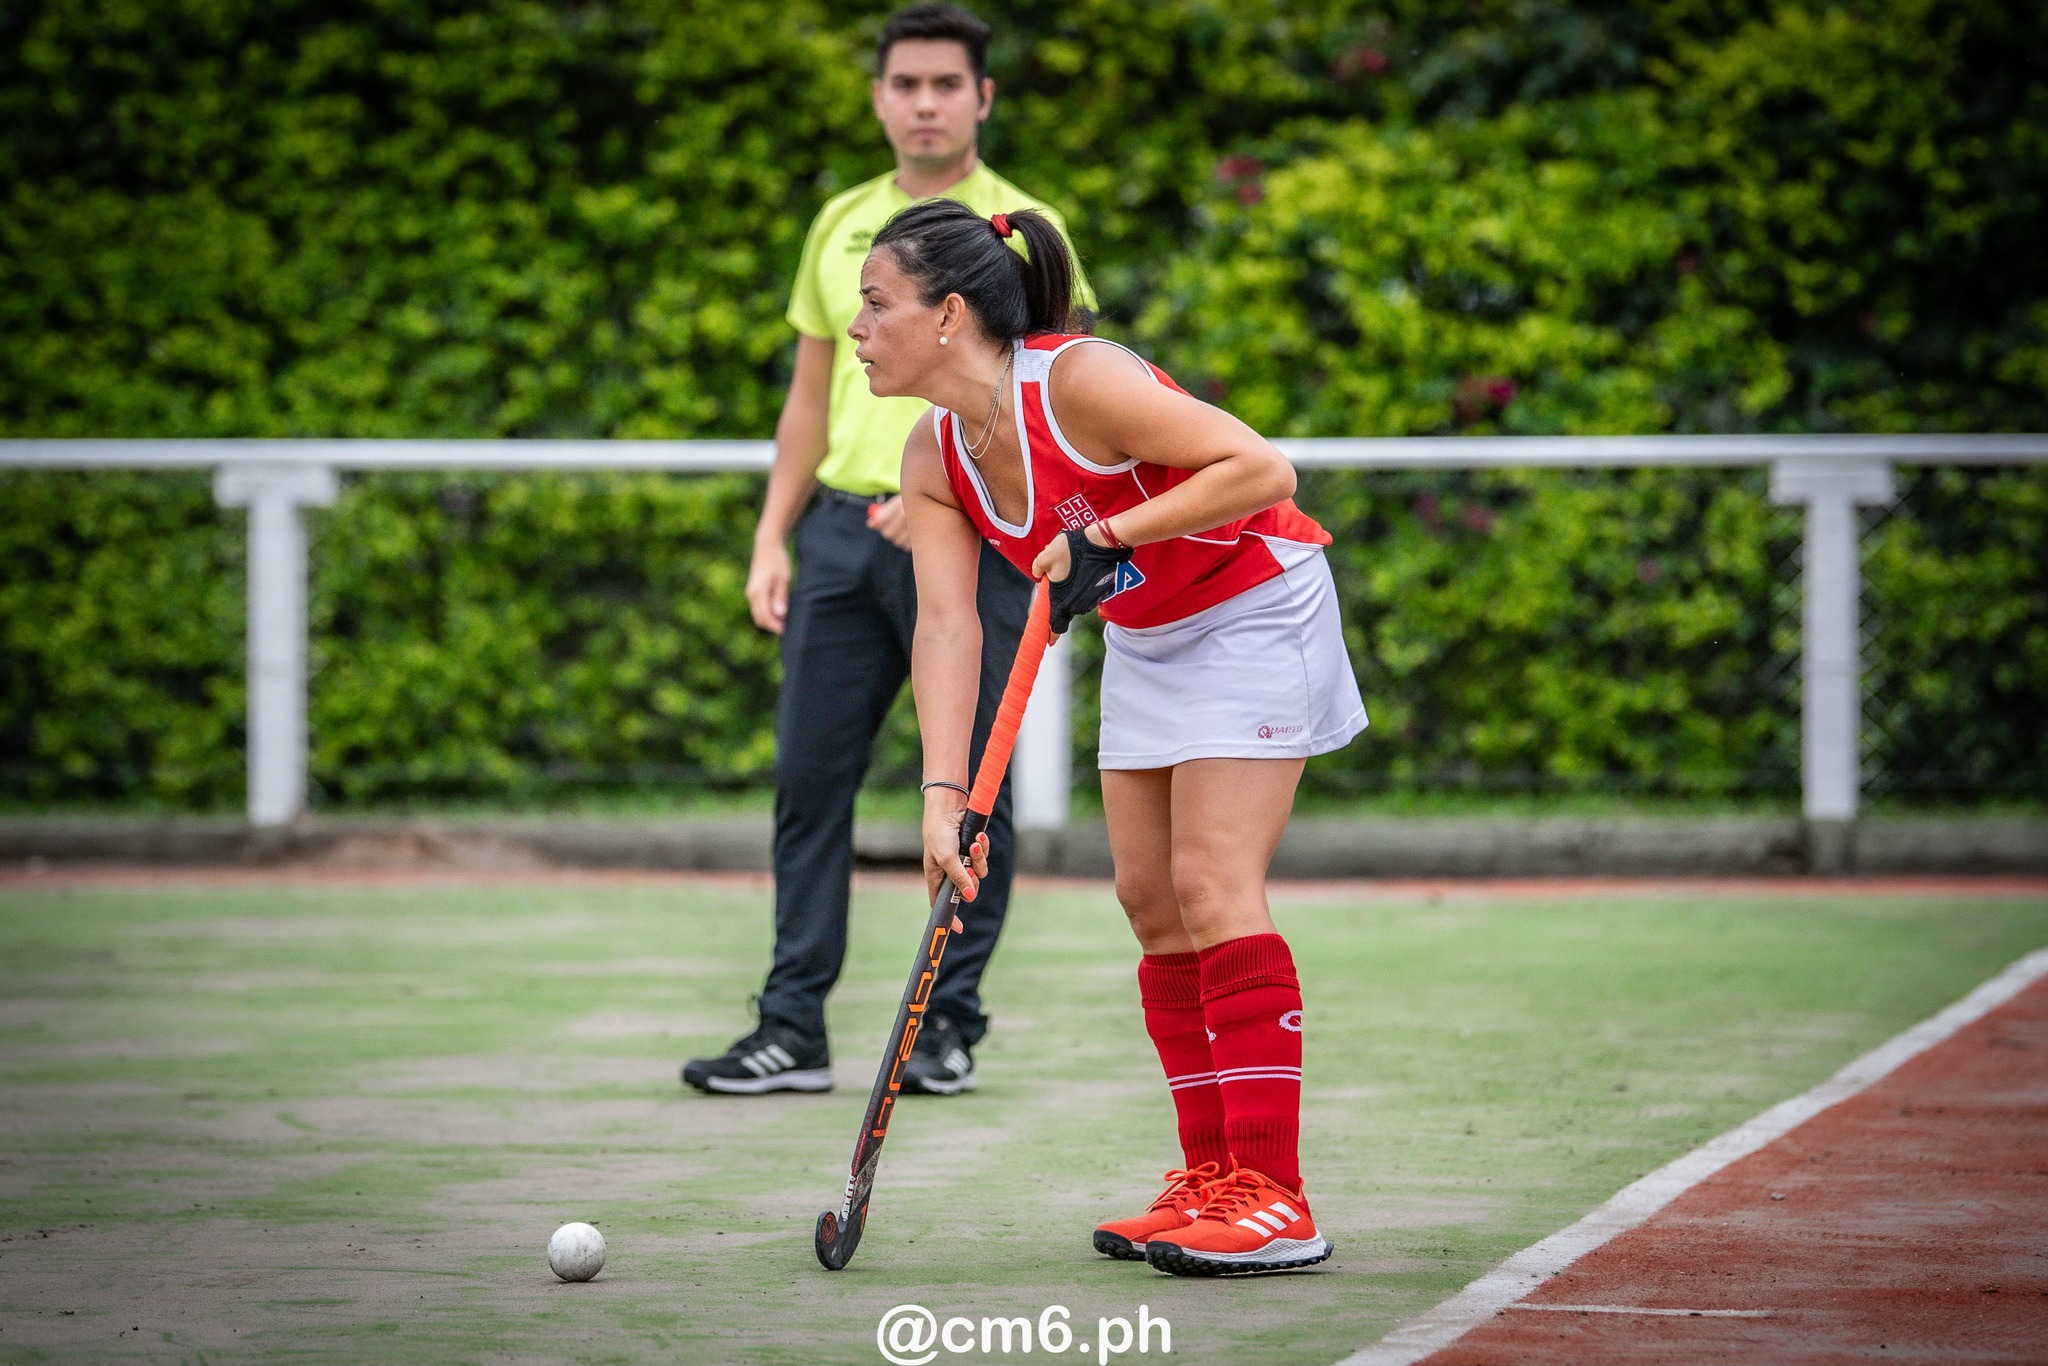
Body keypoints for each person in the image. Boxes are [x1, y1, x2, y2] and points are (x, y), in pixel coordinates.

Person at [856, 199, 1366, 1275]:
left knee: (1210, 880)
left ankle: (1277, 1196)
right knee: (1148, 899)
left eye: (873, 304)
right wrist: (941, 794)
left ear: (948, 315)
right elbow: (947, 627)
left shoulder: (1076, 380)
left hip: (1253, 600)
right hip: (1151, 631)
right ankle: (1211, 1177)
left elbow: (1257, 467)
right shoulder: (934, 450)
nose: (855, 326)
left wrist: (1107, 533)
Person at [682, 4, 1093, 1098]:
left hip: (975, 540)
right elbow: (808, 398)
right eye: (904, 83)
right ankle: (789, 1028)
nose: (923, 102)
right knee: (808, 783)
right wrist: (772, 533)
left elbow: (1057, 397)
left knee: (972, 790)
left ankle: (945, 1024)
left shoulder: (1022, 228)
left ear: (980, 99)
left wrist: (958, 500)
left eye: (944, 84)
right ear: (878, 98)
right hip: (837, 536)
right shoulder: (840, 226)